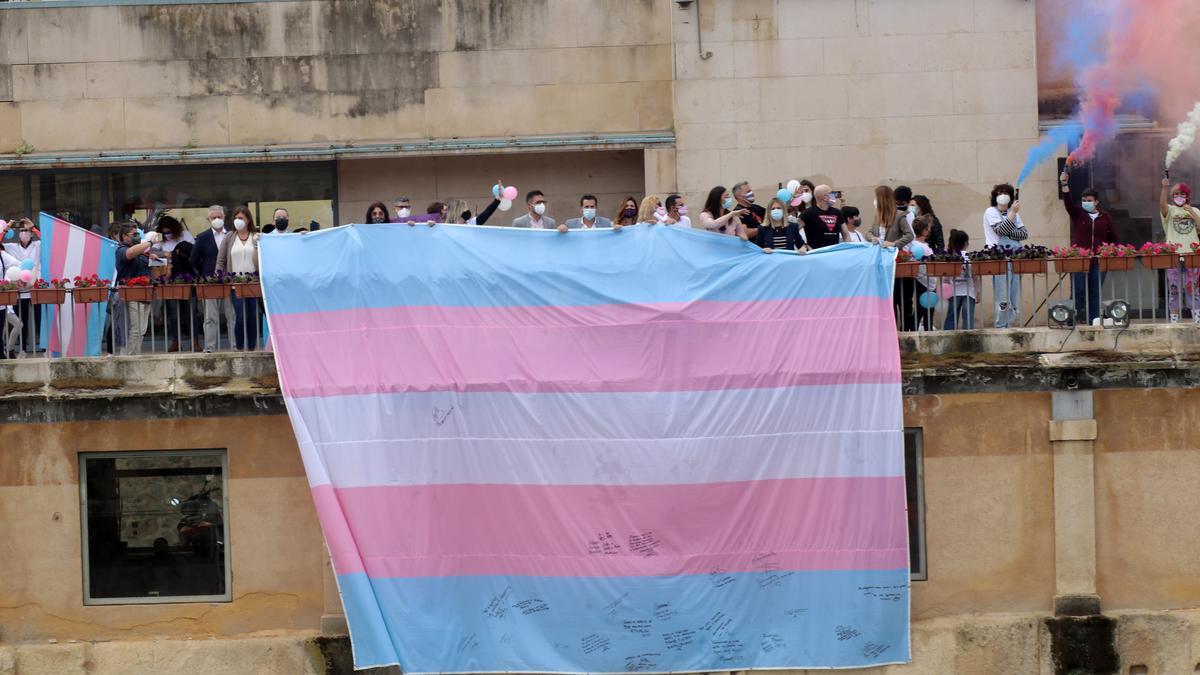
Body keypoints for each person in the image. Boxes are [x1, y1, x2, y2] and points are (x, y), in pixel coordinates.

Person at [1061, 172, 1118, 324]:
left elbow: (1113, 238)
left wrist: (1110, 251)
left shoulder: (1105, 217)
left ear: (1096, 202)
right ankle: (1071, 320)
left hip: (1098, 261)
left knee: (1095, 292)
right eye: (1084, 200)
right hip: (1080, 259)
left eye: (1089, 200)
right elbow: (1068, 203)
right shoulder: (1078, 213)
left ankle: (1094, 321)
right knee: (1078, 291)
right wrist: (1065, 185)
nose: (1086, 202)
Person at [190, 205, 235, 353]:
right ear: (208, 219)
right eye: (213, 217)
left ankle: (235, 346)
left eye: (219, 217)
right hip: (209, 282)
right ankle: (210, 347)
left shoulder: (232, 235)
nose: (217, 219)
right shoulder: (203, 237)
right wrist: (204, 274)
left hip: (229, 281)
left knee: (232, 316)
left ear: (224, 218)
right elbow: (194, 259)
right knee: (210, 317)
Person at [215, 206, 261, 351]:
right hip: (235, 284)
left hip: (253, 283)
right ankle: (239, 348)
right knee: (240, 316)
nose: (237, 221)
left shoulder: (256, 236)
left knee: (252, 316)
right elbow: (221, 260)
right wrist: (219, 276)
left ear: (248, 220)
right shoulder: (229, 237)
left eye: (240, 218)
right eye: (235, 218)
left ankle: (252, 348)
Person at [983, 183, 1028, 328]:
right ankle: (1000, 326)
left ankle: (1010, 324)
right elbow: (1000, 231)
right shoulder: (991, 212)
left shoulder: (1015, 214)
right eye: (999, 192)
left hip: (1015, 256)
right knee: (1002, 298)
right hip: (999, 258)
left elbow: (1024, 233)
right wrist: (1012, 216)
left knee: (1014, 297)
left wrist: (1009, 226)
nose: (1002, 195)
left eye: (1005, 192)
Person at [115, 223, 161, 355]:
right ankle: (127, 358)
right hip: (130, 295)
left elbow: (152, 275)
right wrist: (149, 243)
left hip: (144, 294)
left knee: (142, 330)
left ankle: (136, 356)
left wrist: (155, 262)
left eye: (138, 234)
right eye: (134, 234)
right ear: (124, 236)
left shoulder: (143, 254)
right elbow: (129, 254)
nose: (137, 237)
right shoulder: (121, 249)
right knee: (133, 329)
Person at [1159, 177, 1200, 323]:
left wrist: (1192, 213)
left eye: (1182, 194)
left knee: (1193, 288)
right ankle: (1174, 319)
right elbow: (1162, 206)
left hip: (1192, 255)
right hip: (1174, 255)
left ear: (1188, 196)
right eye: (1176, 194)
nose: (1179, 197)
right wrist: (1164, 188)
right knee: (1174, 289)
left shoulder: (1194, 210)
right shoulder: (1170, 210)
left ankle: (1197, 319)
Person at [3, 218, 40, 354]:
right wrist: (6, 228)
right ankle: (23, 349)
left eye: (26, 230)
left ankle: (45, 348)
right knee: (22, 321)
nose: (24, 233)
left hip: (35, 288)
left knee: (39, 321)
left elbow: (49, 240)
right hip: (20, 290)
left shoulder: (38, 245)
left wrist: (34, 228)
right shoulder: (11, 247)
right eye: (22, 230)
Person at [943, 229, 977, 330]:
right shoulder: (970, 257)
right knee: (968, 318)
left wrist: (946, 289)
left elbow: (946, 277)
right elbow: (975, 276)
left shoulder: (950, 257)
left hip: (954, 292)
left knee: (951, 318)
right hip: (969, 292)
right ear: (966, 243)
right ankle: (968, 339)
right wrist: (978, 291)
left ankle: (948, 338)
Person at [909, 218, 936, 331]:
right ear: (924, 230)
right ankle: (913, 331)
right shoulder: (916, 245)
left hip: (930, 281)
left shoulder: (923, 244)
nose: (930, 231)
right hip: (922, 280)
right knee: (921, 308)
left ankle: (928, 331)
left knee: (929, 310)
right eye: (928, 228)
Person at [800, 185, 845, 250]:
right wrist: (804, 246)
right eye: (832, 193)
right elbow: (793, 231)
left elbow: (846, 236)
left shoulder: (837, 213)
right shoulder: (808, 213)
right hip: (816, 255)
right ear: (825, 197)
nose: (834, 196)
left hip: (834, 254)